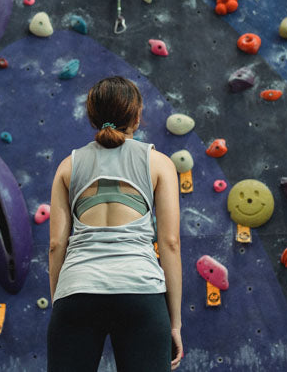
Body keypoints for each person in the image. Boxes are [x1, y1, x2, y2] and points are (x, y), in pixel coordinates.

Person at [47, 76, 183, 371]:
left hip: (77, 291)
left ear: (93, 117)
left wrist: (61, 301)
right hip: (140, 293)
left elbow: (56, 245)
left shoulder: (67, 166)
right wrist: (175, 323)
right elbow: (170, 244)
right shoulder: (159, 163)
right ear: (137, 115)